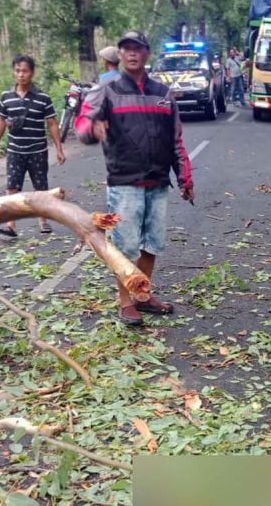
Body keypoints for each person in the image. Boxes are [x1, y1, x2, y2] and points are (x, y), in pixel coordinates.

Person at [74, 30, 194, 326]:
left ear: (146, 54)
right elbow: (82, 122)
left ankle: (142, 295)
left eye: (137, 48)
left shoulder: (162, 93)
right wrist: (92, 131)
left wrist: (185, 178)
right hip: (124, 182)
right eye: (126, 48)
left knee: (152, 244)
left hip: (157, 181)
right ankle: (125, 301)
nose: (131, 53)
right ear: (120, 53)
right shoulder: (108, 90)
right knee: (124, 247)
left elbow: (176, 139)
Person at [0, 54, 66, 237]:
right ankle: (11, 224)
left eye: (25, 71)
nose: (21, 74)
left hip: (37, 150)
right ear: (13, 72)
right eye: (17, 70)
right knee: (12, 187)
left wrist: (59, 148)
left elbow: (52, 123)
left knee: (40, 186)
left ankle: (43, 220)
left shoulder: (43, 97)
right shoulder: (6, 97)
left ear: (32, 73)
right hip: (15, 150)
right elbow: (1, 121)